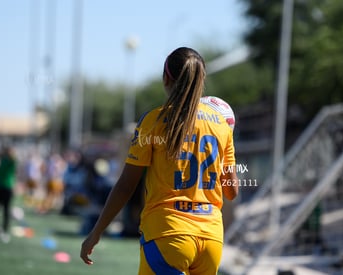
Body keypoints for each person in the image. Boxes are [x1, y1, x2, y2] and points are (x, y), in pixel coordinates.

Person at [80, 47, 239, 274]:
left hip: (167, 233)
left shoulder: (153, 120)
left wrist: (96, 232)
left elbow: (126, 185)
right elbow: (231, 192)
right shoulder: (221, 126)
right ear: (201, 81)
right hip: (211, 239)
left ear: (166, 77)